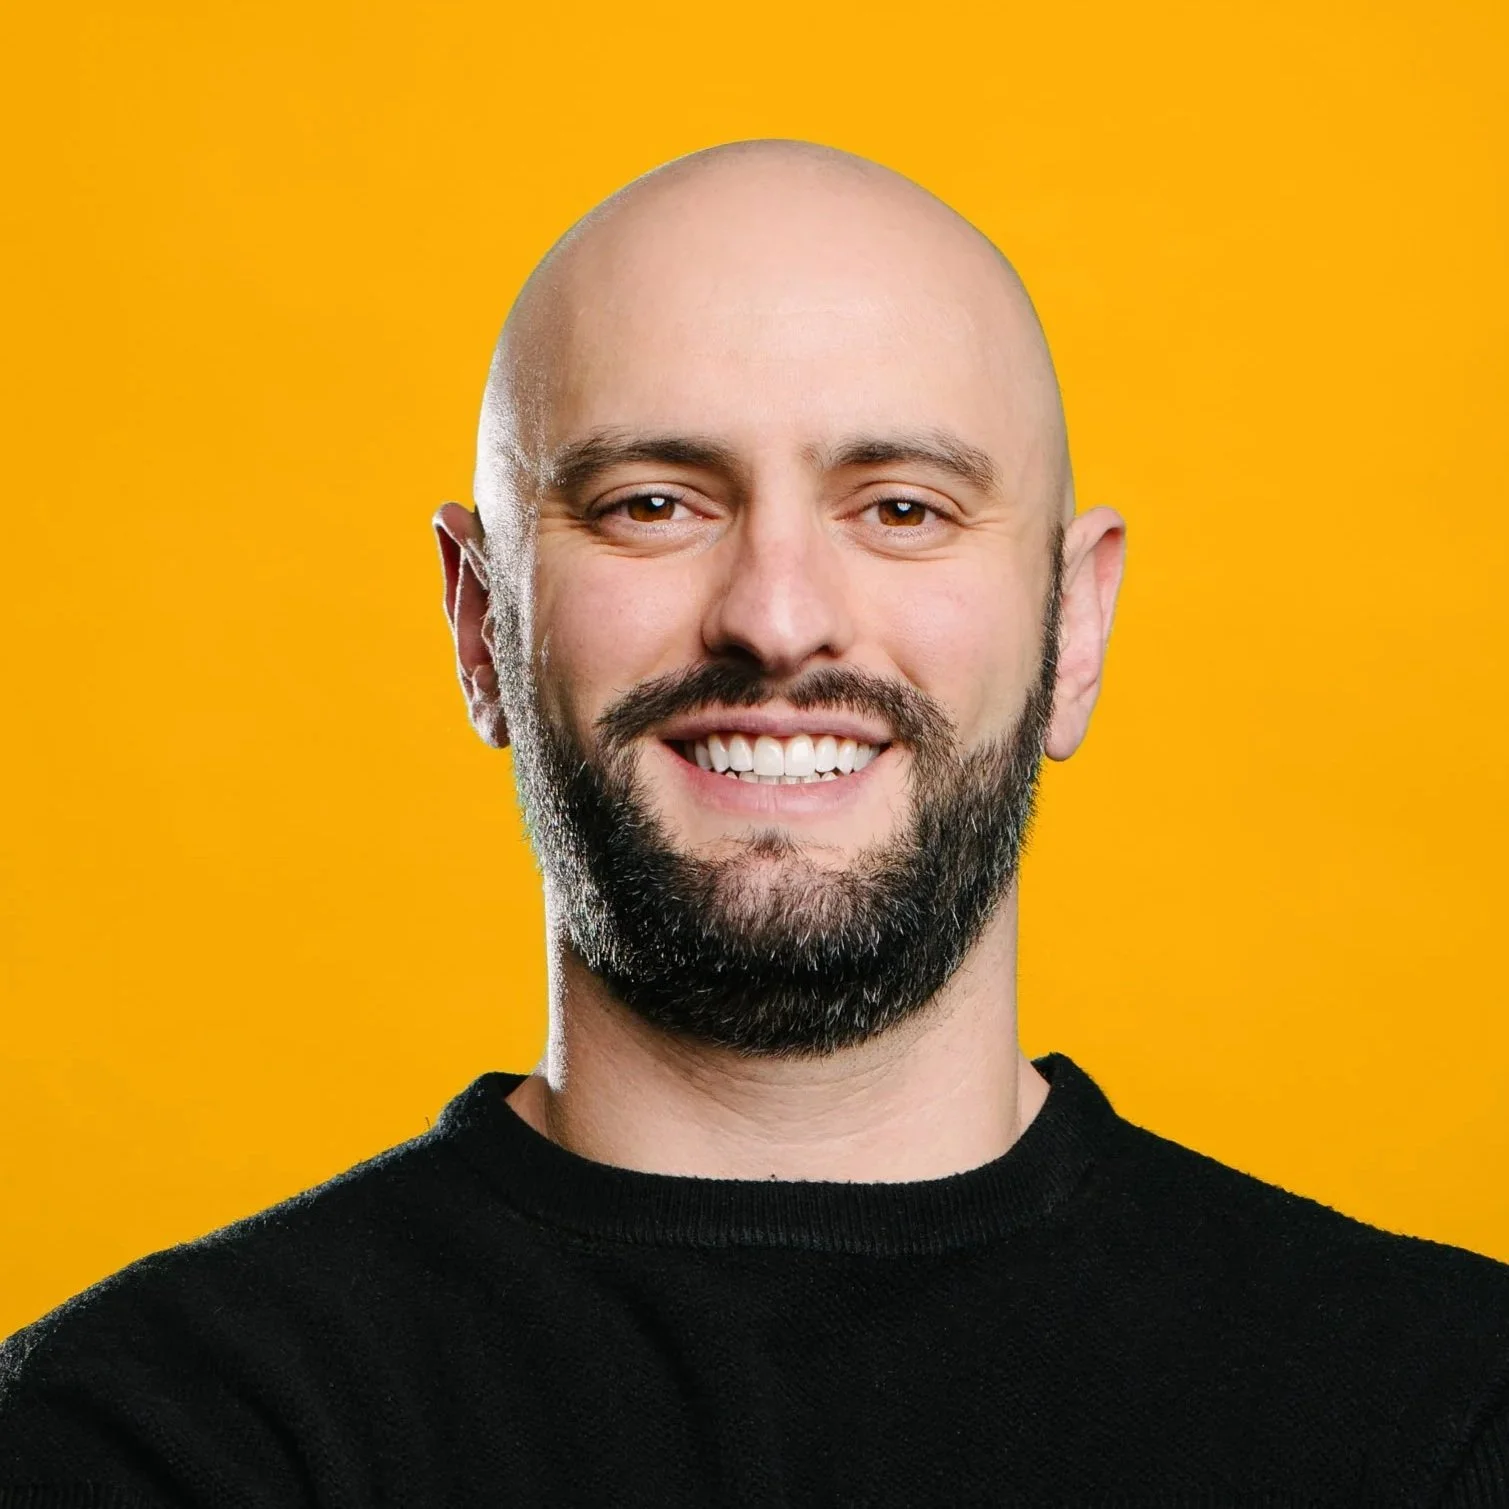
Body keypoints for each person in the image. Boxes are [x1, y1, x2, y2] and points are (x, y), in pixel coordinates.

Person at [2, 139, 1506, 1507]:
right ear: (480, 623)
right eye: (655, 504)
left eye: (902, 507)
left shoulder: (1448, 1417)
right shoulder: (143, 1440)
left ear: (1078, 625)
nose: (778, 618)